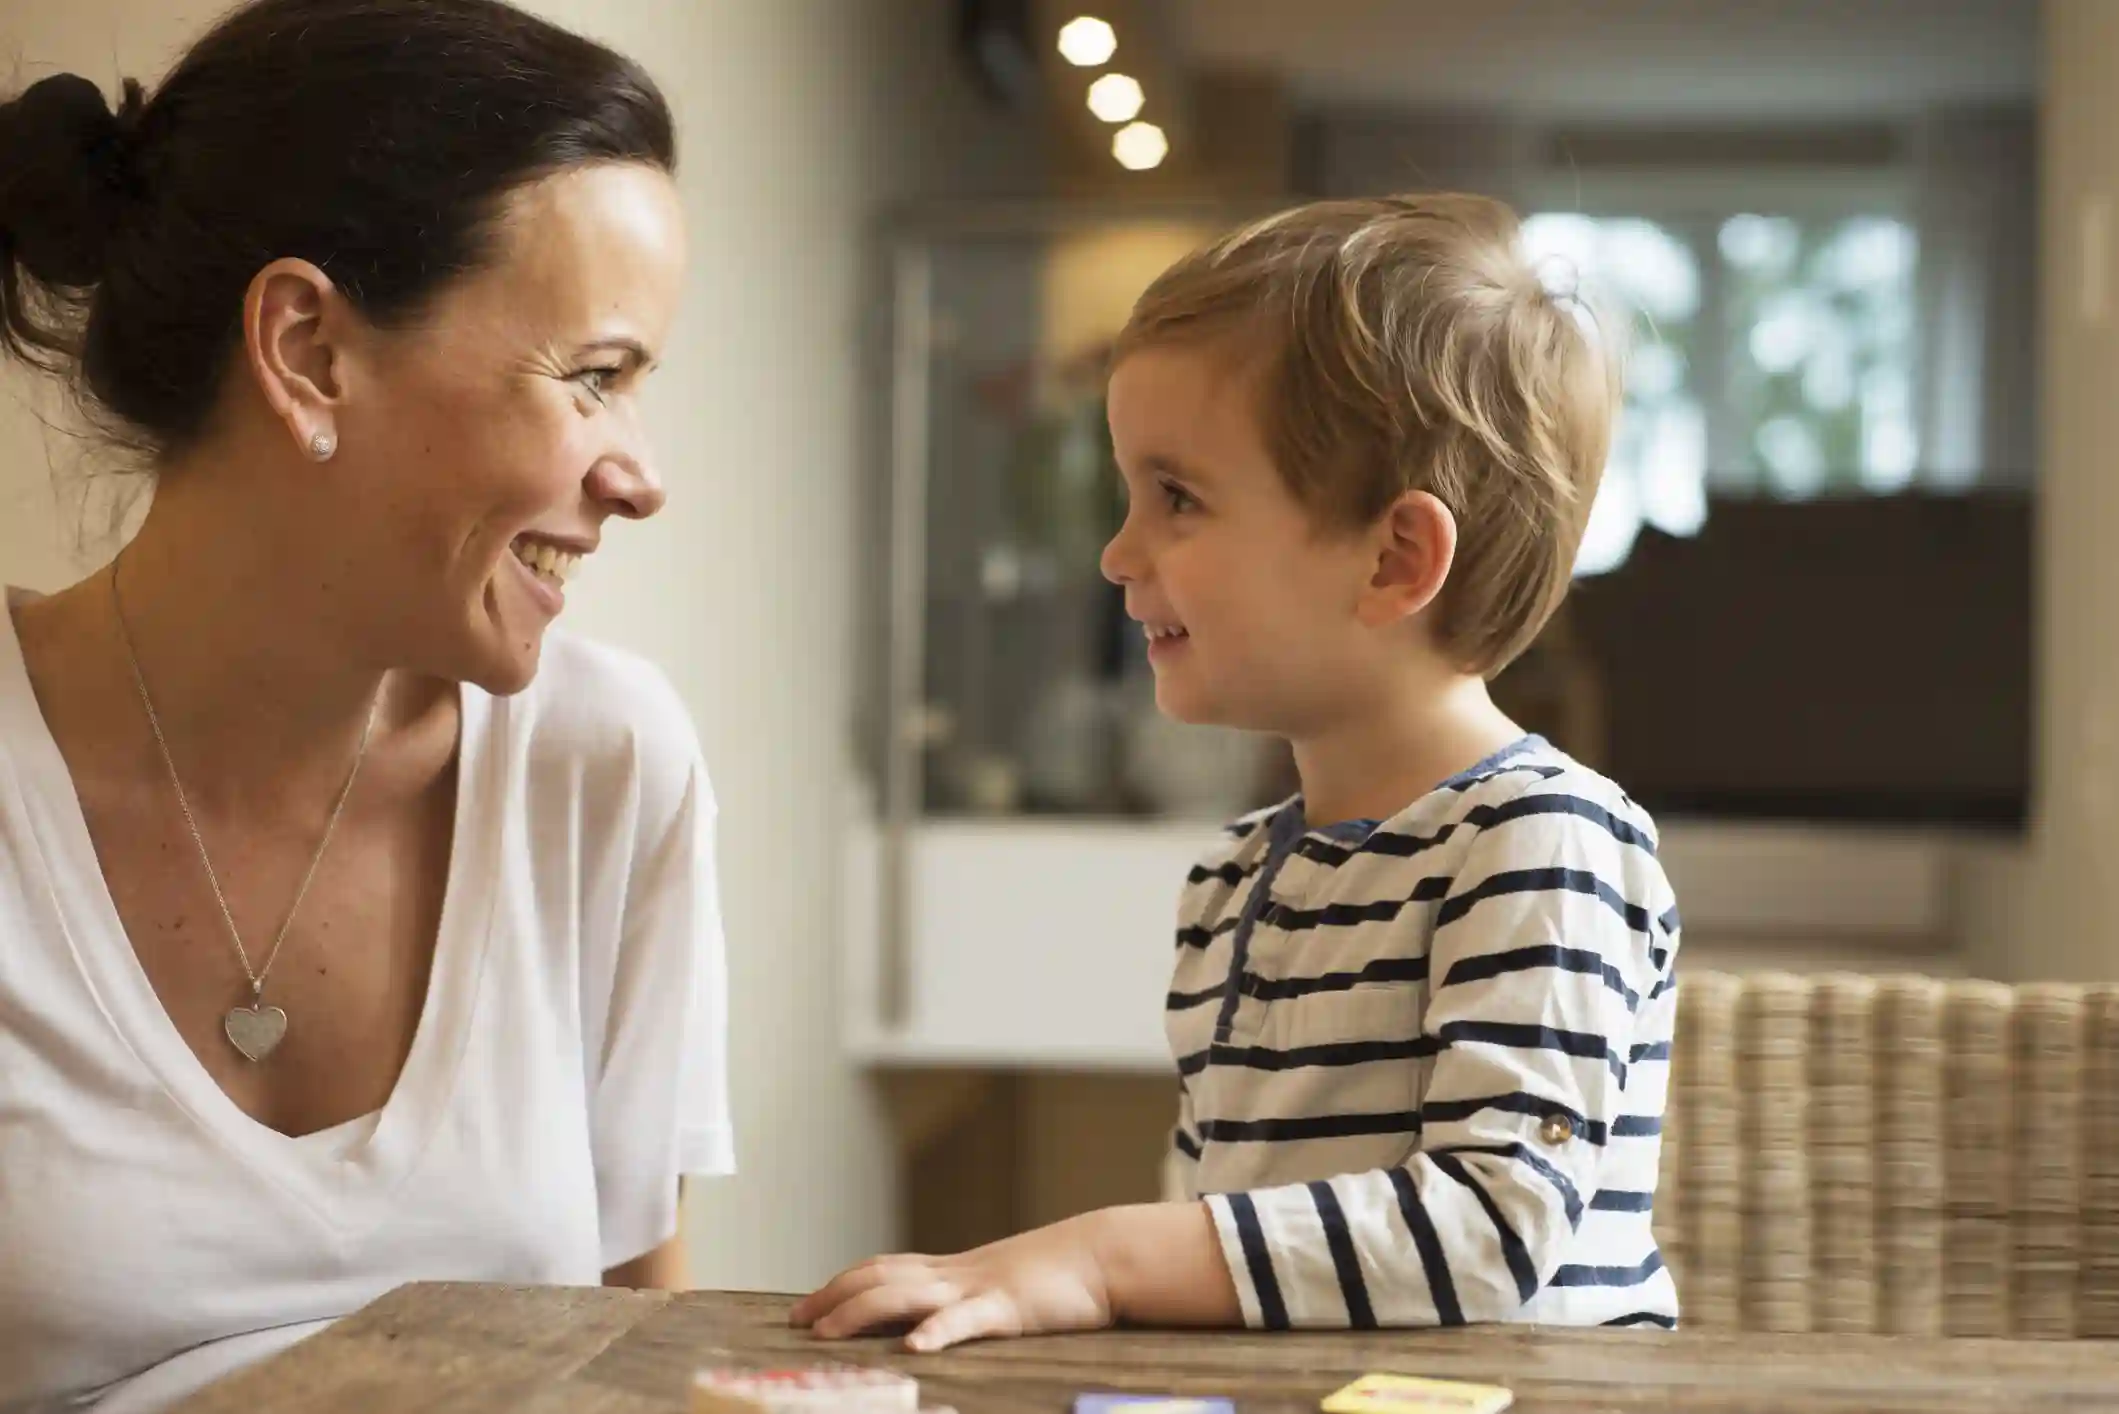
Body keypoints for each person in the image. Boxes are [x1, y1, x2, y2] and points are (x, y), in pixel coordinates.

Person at [0, 2, 731, 1408]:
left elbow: (645, 1349)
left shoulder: (607, 762)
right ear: (309, 352)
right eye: (592, 379)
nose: (638, 475)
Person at [795, 194, 1680, 1349]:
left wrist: (1101, 1259)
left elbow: (1490, 1225)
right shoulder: (1233, 877)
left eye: (1177, 498)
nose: (1116, 553)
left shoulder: (1542, 841)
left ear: (1393, 557)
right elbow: (1236, 1253)